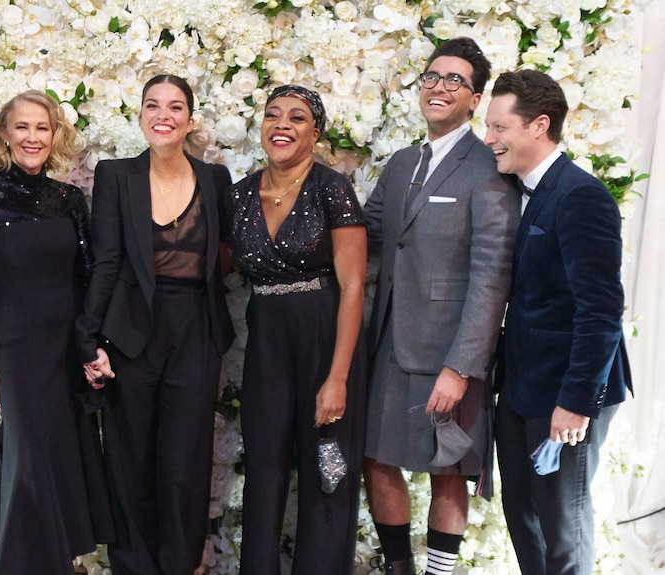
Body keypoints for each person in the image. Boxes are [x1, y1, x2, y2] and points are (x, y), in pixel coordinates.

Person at [361, 37, 519, 575]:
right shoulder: (404, 162)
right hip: (388, 341)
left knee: (448, 469)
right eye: (432, 76)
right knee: (377, 460)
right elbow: (366, 234)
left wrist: (461, 367)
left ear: (475, 100)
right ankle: (399, 567)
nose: (440, 86)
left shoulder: (489, 167)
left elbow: (492, 275)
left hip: (449, 351)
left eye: (455, 80)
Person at [75, 74, 235, 575]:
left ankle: (181, 564)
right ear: (141, 115)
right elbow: (105, 263)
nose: (163, 115)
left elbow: (226, 261)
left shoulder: (215, 179)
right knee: (130, 459)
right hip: (131, 333)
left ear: (190, 118)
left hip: (196, 330)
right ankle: (132, 567)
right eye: (152, 105)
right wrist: (88, 336)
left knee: (186, 462)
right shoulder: (116, 174)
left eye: (174, 106)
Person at [0, 90, 114, 574]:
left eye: (41, 128)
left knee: (65, 461)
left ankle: (65, 564)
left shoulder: (69, 200)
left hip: (66, 353)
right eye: (22, 127)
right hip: (17, 352)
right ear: (5, 133)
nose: (32, 137)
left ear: (55, 135)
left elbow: (90, 278)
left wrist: (93, 348)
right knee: (27, 463)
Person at [485, 70, 632, 575]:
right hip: (523, 388)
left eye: (499, 127)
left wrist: (574, 403)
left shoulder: (580, 196)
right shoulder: (524, 190)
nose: (490, 139)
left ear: (538, 126)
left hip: (566, 393)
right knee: (522, 517)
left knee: (561, 529)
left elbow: (602, 310)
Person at [222, 85, 367, 575]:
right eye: (273, 115)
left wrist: (339, 377)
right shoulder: (238, 195)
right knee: (263, 471)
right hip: (266, 341)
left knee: (329, 472)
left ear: (315, 133)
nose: (282, 124)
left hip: (325, 337)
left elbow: (352, 287)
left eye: (297, 118)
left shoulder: (333, 189)